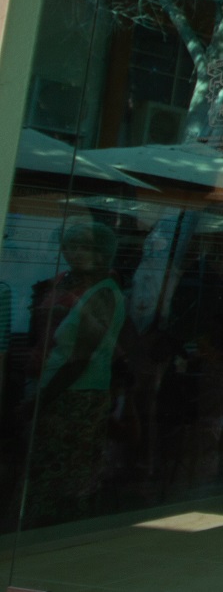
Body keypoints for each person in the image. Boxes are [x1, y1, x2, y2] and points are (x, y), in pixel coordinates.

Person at [27, 219, 126, 525]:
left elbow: (80, 359)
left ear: (103, 252)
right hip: (58, 387)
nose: (78, 253)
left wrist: (41, 400)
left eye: (87, 246)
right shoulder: (62, 285)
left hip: (77, 396)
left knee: (64, 478)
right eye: (72, 245)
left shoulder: (103, 292)